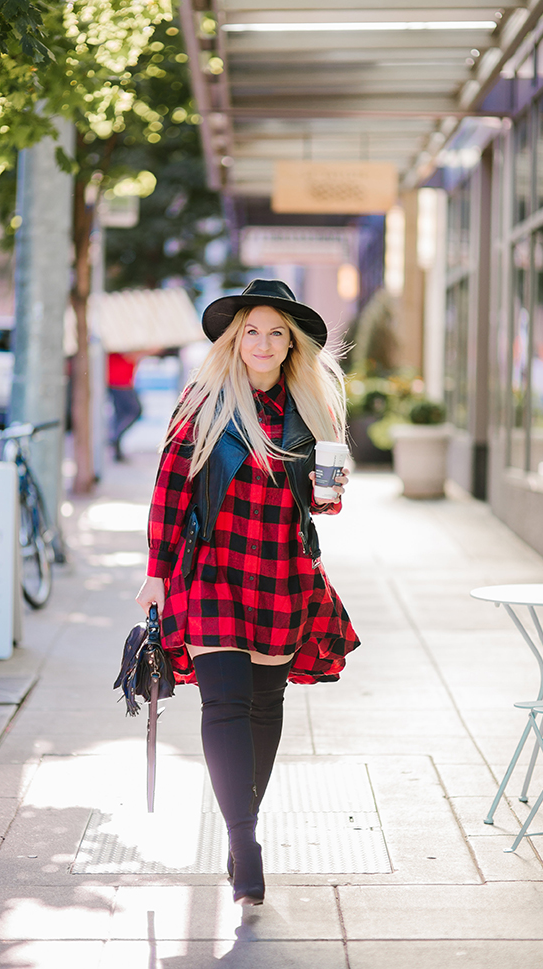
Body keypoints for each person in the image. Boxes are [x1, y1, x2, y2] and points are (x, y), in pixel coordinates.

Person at [136, 279, 360, 906]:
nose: (263, 343)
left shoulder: (308, 411)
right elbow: (169, 490)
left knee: (264, 706)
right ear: (237, 339)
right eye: (252, 331)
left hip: (280, 570)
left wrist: (329, 492)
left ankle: (241, 834)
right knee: (225, 706)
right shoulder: (206, 400)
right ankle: (246, 841)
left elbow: (323, 504)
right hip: (210, 572)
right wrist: (156, 571)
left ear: (292, 345)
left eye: (276, 333)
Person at [107, 351, 144, 461]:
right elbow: (131, 355)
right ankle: (115, 436)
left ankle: (116, 446)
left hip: (118, 380)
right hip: (120, 381)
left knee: (121, 414)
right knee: (135, 410)